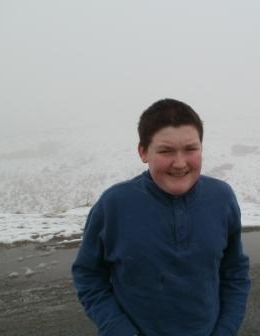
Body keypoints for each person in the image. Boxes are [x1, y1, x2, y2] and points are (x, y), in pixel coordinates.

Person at [72, 98, 250, 336]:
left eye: (190, 149)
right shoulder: (113, 204)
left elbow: (234, 270)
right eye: (166, 151)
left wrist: (226, 329)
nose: (179, 163)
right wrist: (117, 329)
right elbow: (89, 275)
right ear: (143, 152)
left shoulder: (222, 198)